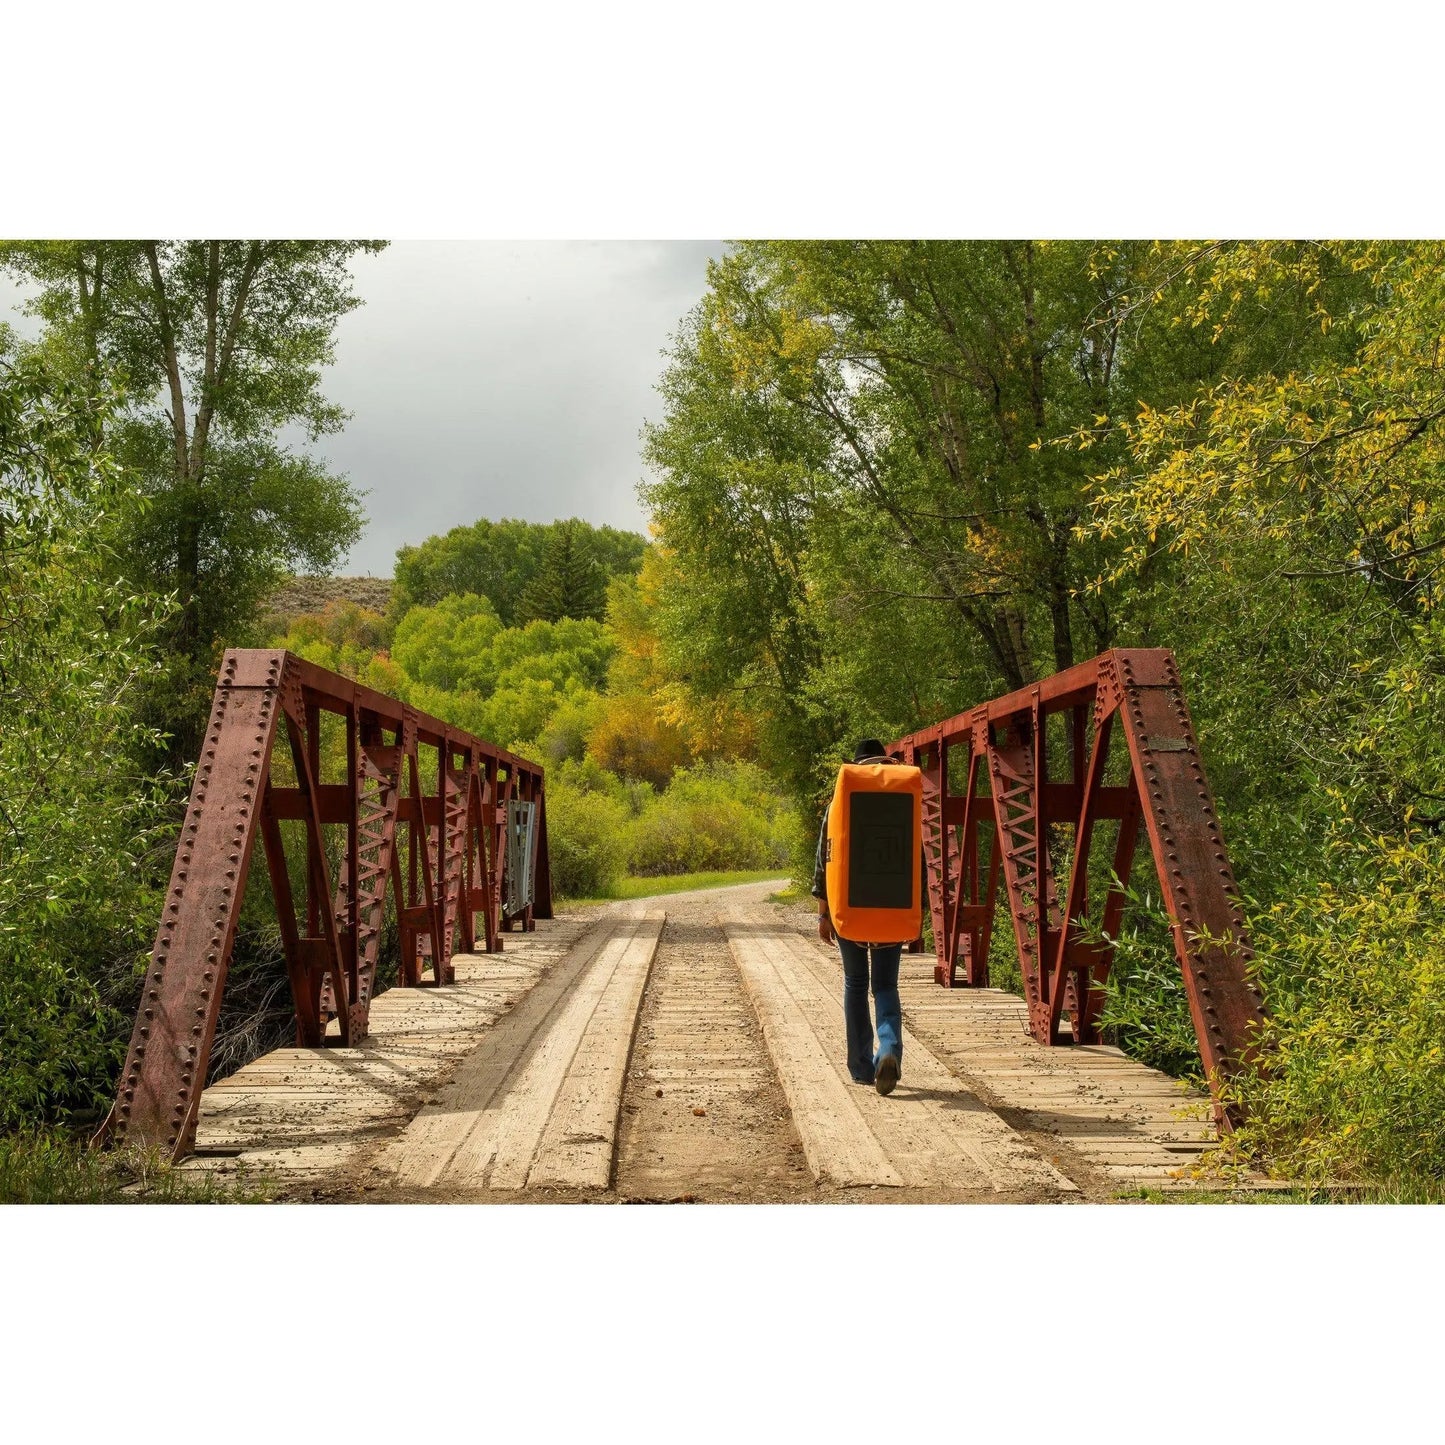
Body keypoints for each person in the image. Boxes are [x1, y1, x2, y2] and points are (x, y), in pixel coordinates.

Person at [812, 739, 904, 1095]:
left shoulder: (840, 801)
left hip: (849, 908)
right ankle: (890, 1049)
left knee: (855, 983)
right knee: (885, 986)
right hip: (893, 906)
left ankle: (863, 1068)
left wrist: (823, 913)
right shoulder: (903, 797)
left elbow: (825, 857)